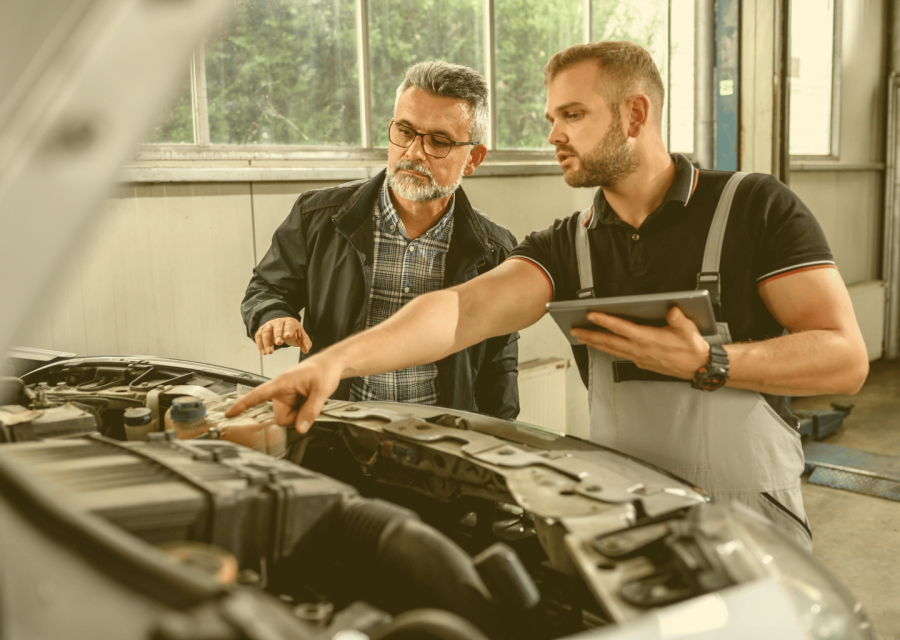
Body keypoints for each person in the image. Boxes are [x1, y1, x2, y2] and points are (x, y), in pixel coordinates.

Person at [229, 42, 869, 549]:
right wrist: (335, 361)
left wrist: (712, 362)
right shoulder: (570, 244)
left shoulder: (754, 207)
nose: (553, 135)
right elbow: (461, 310)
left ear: (635, 114)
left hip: (750, 514)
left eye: (572, 115)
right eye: (550, 119)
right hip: (626, 510)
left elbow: (845, 358)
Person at [240, 60, 520, 419]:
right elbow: (267, 287)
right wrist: (273, 316)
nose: (414, 152)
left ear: (473, 159)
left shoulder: (494, 252)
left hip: (440, 440)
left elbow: (499, 366)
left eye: (438, 141)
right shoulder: (317, 217)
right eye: (404, 132)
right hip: (337, 428)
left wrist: (499, 444)